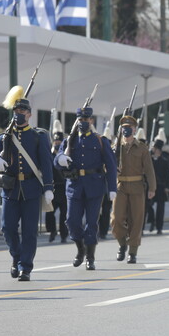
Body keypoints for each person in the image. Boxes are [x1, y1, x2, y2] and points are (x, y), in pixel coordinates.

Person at [0, 86, 53, 281]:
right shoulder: (5, 136)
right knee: (7, 227)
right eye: (16, 111)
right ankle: (16, 257)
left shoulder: (37, 136)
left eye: (23, 112)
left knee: (29, 231)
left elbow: (46, 163)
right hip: (10, 189)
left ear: (30, 114)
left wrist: (49, 187)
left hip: (32, 189)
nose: (19, 115)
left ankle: (25, 267)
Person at [55, 107, 117, 270]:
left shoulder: (99, 140)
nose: (83, 122)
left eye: (86, 120)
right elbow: (56, 161)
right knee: (71, 220)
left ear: (91, 121)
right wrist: (61, 159)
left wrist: (112, 188)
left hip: (95, 186)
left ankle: (90, 257)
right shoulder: (70, 140)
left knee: (91, 223)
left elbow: (110, 165)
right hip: (74, 186)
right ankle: (80, 248)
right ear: (77, 121)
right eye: (81, 120)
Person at [111, 115, 156, 263]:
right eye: (124, 127)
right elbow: (108, 165)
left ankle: (133, 251)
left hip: (137, 187)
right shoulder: (116, 147)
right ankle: (122, 244)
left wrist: (152, 187)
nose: (126, 130)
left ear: (135, 130)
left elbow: (149, 169)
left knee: (136, 220)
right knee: (116, 219)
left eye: (129, 127)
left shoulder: (142, 148)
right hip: (120, 186)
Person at [45, 123, 68, 243]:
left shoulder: (65, 155)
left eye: (59, 141)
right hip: (53, 187)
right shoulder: (49, 154)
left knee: (64, 214)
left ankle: (64, 235)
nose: (57, 143)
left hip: (64, 188)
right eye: (55, 141)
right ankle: (52, 231)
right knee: (50, 213)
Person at [148, 136, 169, 234]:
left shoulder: (165, 161)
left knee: (160, 208)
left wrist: (167, 187)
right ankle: (152, 220)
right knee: (148, 206)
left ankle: (159, 227)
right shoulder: (149, 160)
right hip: (151, 186)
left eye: (155, 148)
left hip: (161, 187)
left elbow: (168, 176)